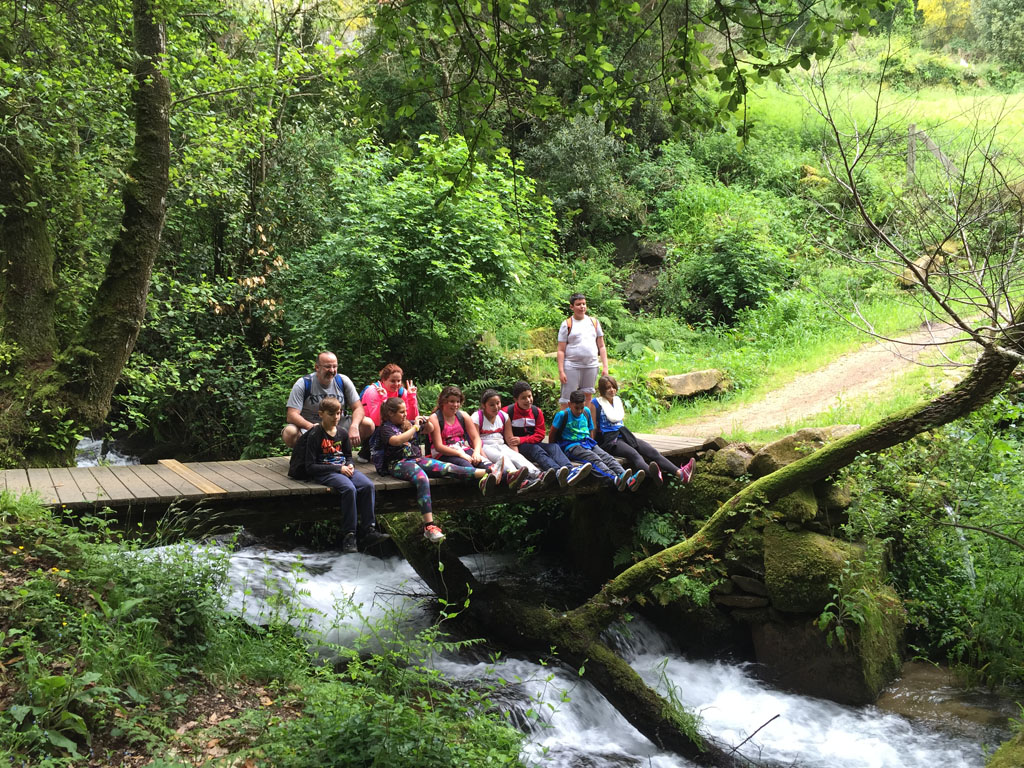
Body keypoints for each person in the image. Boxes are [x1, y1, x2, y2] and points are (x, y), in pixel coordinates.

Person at [370, 397, 498, 543]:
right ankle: (429, 526)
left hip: (417, 459)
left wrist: (425, 422)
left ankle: (487, 474)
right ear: (390, 414)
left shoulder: (408, 423)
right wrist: (415, 428)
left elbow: (430, 429)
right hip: (398, 463)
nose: (405, 414)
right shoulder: (385, 428)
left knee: (447, 468)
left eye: (405, 411)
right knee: (422, 478)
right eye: (401, 412)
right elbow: (397, 440)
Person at [289, 397, 389, 554]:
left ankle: (369, 529)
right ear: (321, 414)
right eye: (332, 414)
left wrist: (350, 465)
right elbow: (310, 466)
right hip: (325, 471)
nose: (336, 417)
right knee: (349, 489)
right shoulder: (315, 434)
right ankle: (350, 535)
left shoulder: (342, 433)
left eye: (338, 413)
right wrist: (338, 469)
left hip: (343, 468)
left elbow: (348, 456)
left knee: (368, 485)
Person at [590, 375, 696, 486]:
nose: (611, 390)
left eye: (613, 387)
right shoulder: (596, 403)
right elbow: (593, 427)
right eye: (607, 388)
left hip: (624, 434)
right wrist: (593, 446)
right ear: (602, 390)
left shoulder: (617, 400)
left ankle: (681, 474)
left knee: (652, 452)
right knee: (635, 455)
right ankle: (653, 474)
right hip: (611, 440)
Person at [428, 385, 525, 488]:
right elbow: (438, 446)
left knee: (486, 463)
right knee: (466, 465)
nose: (455, 405)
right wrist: (460, 454)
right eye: (452, 401)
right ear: (443, 401)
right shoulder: (435, 418)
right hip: (444, 453)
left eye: (458, 401)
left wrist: (476, 452)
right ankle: (482, 484)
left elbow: (476, 438)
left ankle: (513, 479)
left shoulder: (463, 416)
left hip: (462, 448)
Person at [550, 390, 645, 492]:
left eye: (581, 408)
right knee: (594, 459)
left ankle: (627, 478)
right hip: (572, 445)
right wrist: (554, 450)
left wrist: (592, 442)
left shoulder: (586, 411)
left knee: (608, 457)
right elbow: (552, 433)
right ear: (569, 404)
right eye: (576, 408)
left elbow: (591, 429)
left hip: (588, 442)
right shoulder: (562, 415)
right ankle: (614, 479)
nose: (579, 411)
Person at [504, 381, 591, 488]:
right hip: (517, 448)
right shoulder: (507, 412)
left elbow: (540, 434)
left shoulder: (536, 412)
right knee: (536, 449)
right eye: (523, 398)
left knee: (554, 446)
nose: (528, 400)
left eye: (529, 396)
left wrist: (522, 439)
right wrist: (517, 442)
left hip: (528, 442)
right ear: (515, 400)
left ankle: (570, 470)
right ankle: (556, 470)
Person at [282, 351, 374, 451]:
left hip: (338, 424)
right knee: (290, 432)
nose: (332, 370)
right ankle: (305, 454)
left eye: (335, 366)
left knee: (368, 424)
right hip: (311, 425)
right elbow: (291, 415)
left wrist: (354, 426)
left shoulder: (342, 381)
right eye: (328, 367)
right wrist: (311, 427)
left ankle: (340, 451)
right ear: (317, 367)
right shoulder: (304, 383)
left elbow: (358, 408)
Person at [471, 389, 557, 494]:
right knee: (502, 459)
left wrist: (515, 453)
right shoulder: (476, 417)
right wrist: (484, 457)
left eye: (498, 403)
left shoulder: (503, 416)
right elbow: (475, 439)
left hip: (501, 444)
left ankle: (537, 474)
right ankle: (518, 479)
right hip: (485, 446)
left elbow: (509, 439)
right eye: (492, 405)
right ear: (484, 405)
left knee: (516, 457)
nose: (496, 407)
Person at [358, 362, 420, 462]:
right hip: (371, 427)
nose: (396, 384)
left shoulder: (402, 392)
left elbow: (412, 417)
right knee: (378, 426)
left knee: (417, 424)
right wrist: (383, 400)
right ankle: (367, 451)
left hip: (393, 423)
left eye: (399, 381)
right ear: (384, 380)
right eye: (392, 381)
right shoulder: (373, 391)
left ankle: (406, 451)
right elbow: (377, 421)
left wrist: (411, 398)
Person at [556, 293, 608, 409]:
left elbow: (602, 346)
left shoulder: (594, 322)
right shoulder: (567, 324)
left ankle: (585, 424)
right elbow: (560, 350)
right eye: (578, 304)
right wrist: (561, 371)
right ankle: (566, 424)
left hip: (591, 365)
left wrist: (605, 367)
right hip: (572, 365)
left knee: (587, 396)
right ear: (572, 307)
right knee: (567, 399)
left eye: (584, 304)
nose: (582, 307)